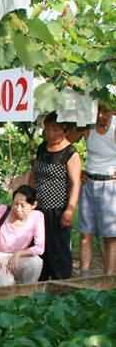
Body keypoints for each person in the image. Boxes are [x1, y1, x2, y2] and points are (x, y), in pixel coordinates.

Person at [30, 112, 81, 280]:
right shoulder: (42, 148)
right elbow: (34, 174)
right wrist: (29, 199)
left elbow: (75, 184)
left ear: (65, 131)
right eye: (47, 129)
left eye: (55, 129)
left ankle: (62, 286)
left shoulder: (70, 153)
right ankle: (41, 283)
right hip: (38, 208)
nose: (50, 133)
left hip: (58, 210)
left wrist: (69, 210)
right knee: (39, 247)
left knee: (58, 248)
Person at [68, 105, 116, 275]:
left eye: (106, 111)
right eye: (98, 111)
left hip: (110, 186)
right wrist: (77, 169)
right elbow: (66, 140)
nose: (101, 115)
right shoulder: (87, 126)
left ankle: (109, 278)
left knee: (110, 236)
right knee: (85, 234)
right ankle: (85, 276)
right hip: (89, 183)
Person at [0, 185, 45, 286]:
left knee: (36, 262)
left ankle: (26, 294)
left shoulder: (37, 216)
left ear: (33, 205)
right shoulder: (2, 210)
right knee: (6, 283)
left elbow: (40, 248)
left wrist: (18, 254)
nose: (18, 209)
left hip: (18, 257)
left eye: (22, 205)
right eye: (15, 204)